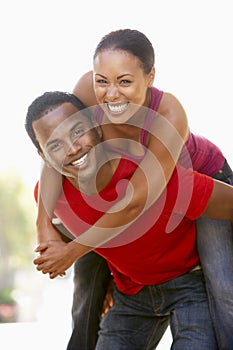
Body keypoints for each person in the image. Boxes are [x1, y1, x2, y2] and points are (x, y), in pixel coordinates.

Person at [35, 29, 233, 349]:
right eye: (103, 81)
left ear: (150, 76)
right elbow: (58, 149)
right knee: (89, 281)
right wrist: (44, 228)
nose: (111, 94)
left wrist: (71, 250)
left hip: (199, 180)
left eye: (125, 81)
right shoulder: (87, 89)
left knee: (224, 292)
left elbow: (137, 201)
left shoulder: (169, 114)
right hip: (125, 186)